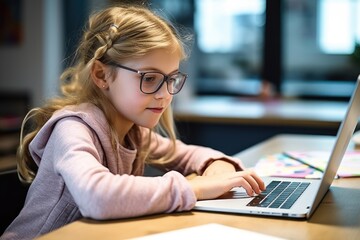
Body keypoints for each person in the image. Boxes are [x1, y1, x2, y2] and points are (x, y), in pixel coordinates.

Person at [1, 4, 265, 240]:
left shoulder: (133, 131)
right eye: (150, 78)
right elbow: (98, 197)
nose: (165, 94)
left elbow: (190, 154)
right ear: (102, 75)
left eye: (171, 79)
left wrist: (218, 167)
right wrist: (193, 188)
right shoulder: (72, 129)